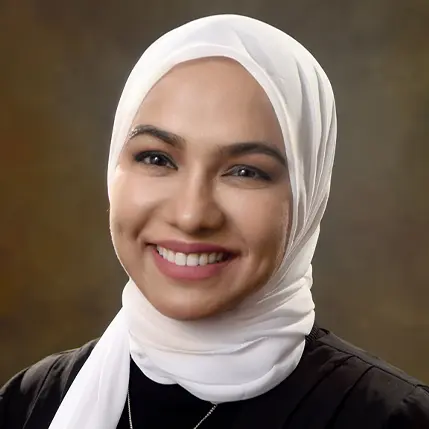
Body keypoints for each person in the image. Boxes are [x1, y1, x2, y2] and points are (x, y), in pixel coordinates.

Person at [1, 14, 428, 429]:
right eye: (157, 158)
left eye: (245, 171)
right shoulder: (32, 403)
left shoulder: (389, 417)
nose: (191, 215)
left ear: (307, 195)